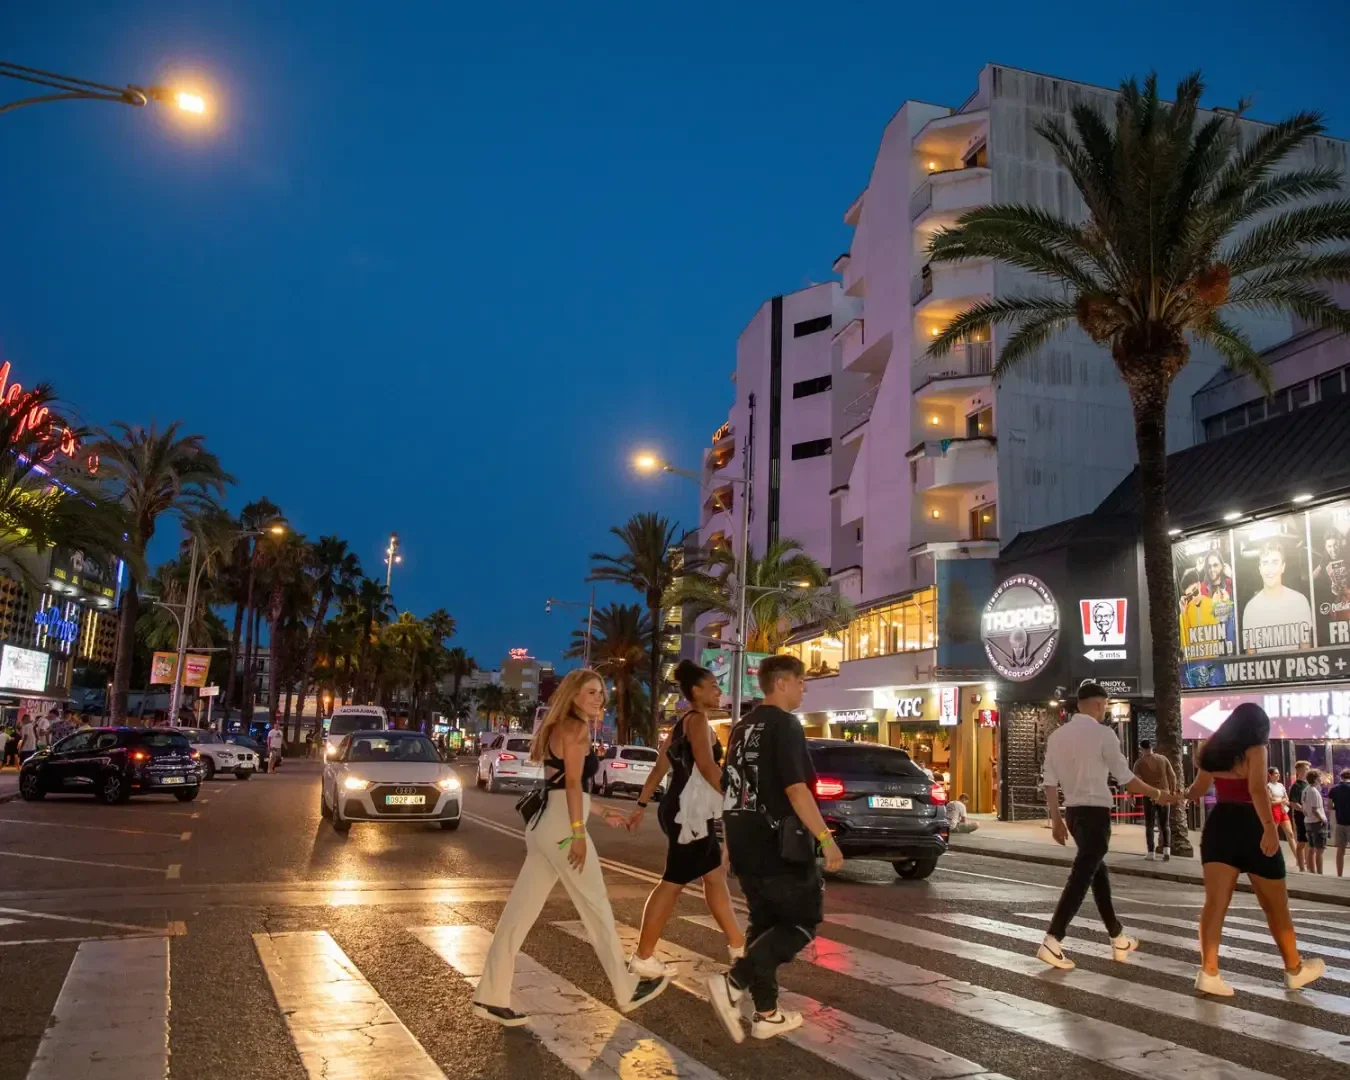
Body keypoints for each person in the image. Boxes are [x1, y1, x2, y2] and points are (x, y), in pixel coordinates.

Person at [473, 669, 667, 1026]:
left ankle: (490, 994)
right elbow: (574, 783)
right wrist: (579, 833)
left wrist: (601, 809)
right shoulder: (576, 730)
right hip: (563, 829)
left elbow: (560, 784)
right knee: (596, 909)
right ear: (574, 695)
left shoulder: (554, 728)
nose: (599, 699)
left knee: (518, 915)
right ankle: (625, 988)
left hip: (546, 825)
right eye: (592, 692)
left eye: (602, 694)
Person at [706, 655, 843, 1044]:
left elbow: (733, 790)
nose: (804, 688)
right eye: (801, 682)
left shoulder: (740, 727)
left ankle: (766, 1013)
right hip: (778, 844)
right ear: (781, 683)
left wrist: (730, 843)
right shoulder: (785, 725)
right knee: (801, 921)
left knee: (763, 924)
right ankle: (735, 981)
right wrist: (826, 839)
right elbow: (796, 789)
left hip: (745, 839)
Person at [1038, 681, 1181, 971]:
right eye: (1104, 705)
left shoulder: (1057, 736)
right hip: (1096, 814)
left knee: (1096, 874)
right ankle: (1053, 939)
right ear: (1097, 704)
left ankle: (1117, 937)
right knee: (1081, 876)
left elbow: (1049, 782)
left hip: (1074, 815)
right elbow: (1125, 777)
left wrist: (1056, 819)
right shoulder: (1104, 735)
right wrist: (1158, 794)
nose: (1105, 711)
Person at [1185, 703, 1324, 995]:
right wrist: (1270, 827)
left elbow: (1198, 789)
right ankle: (1293, 968)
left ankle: (1208, 972)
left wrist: (1173, 795)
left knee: (1214, 905)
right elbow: (1257, 789)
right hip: (1252, 825)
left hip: (1220, 825)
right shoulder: (1255, 748)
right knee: (1276, 905)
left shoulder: (1214, 749)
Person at [625, 660, 745, 978]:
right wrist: (737, 798)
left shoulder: (684, 723)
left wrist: (640, 804)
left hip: (680, 809)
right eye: (714, 686)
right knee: (673, 882)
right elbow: (707, 766)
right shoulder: (697, 722)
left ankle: (738, 947)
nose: (719, 691)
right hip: (686, 813)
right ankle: (643, 956)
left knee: (714, 874)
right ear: (697, 691)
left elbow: (659, 768)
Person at [1241, 540, 1314, 654]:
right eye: (1265, 563)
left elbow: (1306, 651)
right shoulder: (1251, 608)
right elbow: (1250, 658)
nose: (1270, 568)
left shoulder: (1299, 602)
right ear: (1260, 569)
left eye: (1275, 562)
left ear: (1283, 567)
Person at [1132, 739, 1177, 861]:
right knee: (1165, 824)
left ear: (1142, 749)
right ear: (1152, 747)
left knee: (1150, 825)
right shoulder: (1163, 759)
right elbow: (1172, 775)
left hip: (1149, 796)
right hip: (1164, 794)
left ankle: (1151, 852)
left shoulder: (1139, 763)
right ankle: (1167, 851)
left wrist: (1132, 795)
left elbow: (1134, 781)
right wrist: (1172, 791)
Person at [1266, 767, 1300, 869]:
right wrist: (1281, 800)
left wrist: (1280, 800)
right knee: (1273, 835)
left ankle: (1299, 858)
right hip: (1274, 811)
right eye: (1275, 773)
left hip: (1282, 811)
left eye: (1278, 773)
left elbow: (1287, 799)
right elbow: (1270, 802)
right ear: (1270, 775)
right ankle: (1270, 858)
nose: (1278, 775)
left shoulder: (1281, 785)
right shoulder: (1268, 786)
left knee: (1290, 834)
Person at [1301, 769, 1328, 875]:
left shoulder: (1305, 790)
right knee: (1319, 850)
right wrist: (1323, 819)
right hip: (1316, 822)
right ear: (1316, 779)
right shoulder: (1314, 791)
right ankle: (1320, 873)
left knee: (1311, 848)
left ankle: (1312, 871)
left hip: (1308, 821)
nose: (1321, 779)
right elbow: (1315, 809)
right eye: (1320, 777)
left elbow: (1304, 807)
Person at [1289, 760, 1311, 872]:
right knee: (1302, 841)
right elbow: (1293, 802)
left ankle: (1307, 862)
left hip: (1310, 817)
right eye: (1306, 769)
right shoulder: (1296, 786)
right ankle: (1301, 866)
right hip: (1301, 816)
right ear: (1299, 770)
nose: (1308, 771)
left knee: (1308, 842)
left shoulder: (1308, 784)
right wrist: (1304, 810)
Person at [1329, 768, 1350, 878]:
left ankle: (1339, 875)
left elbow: (1329, 806)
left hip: (1340, 822)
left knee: (1340, 850)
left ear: (1341, 777)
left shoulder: (1334, 789)